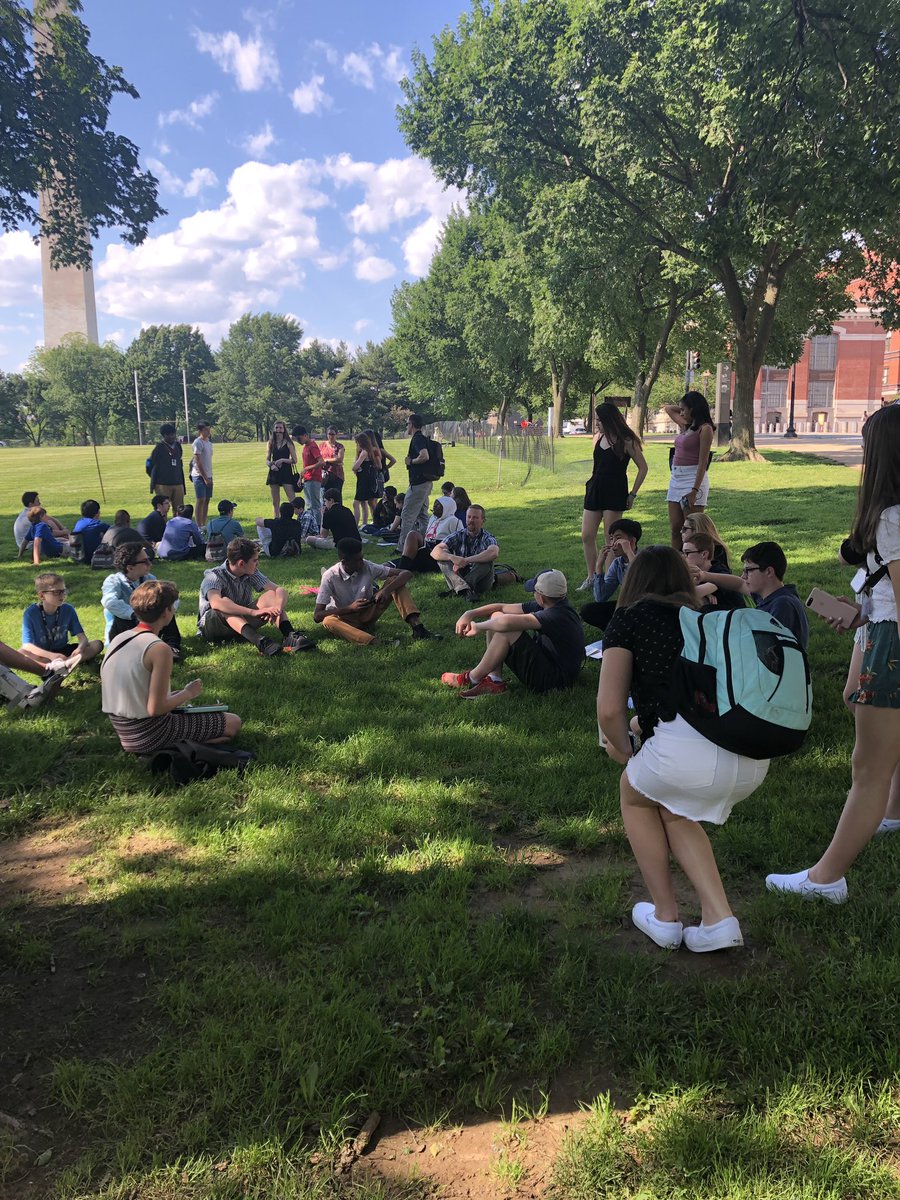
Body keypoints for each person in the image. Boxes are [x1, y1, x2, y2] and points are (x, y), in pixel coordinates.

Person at [597, 545, 769, 952]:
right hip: (750, 749)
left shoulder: (628, 619)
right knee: (671, 805)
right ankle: (718, 918)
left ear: (634, 581)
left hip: (691, 758)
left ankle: (666, 916)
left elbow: (608, 710)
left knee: (635, 794)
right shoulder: (708, 618)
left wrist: (623, 750)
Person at [767, 404, 900, 903]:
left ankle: (827, 878)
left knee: (867, 771)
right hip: (881, 632)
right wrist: (861, 612)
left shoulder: (891, 517)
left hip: (892, 646)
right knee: (857, 706)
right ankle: (892, 812)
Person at [102, 579, 241, 755]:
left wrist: (176, 696)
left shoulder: (119, 639)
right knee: (233, 722)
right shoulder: (158, 648)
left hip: (124, 732)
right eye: (173, 606)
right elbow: (156, 708)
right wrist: (188, 692)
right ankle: (170, 749)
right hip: (150, 733)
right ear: (166, 612)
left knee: (197, 713)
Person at [441, 569, 583, 698]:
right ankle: (494, 680)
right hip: (551, 666)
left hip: (555, 682)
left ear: (541, 597)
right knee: (497, 616)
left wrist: (478, 626)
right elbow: (502, 607)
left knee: (507, 631)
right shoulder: (554, 605)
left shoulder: (556, 615)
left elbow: (507, 623)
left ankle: (470, 678)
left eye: (534, 592)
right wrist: (470, 613)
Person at [198, 536, 313, 655]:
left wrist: (277, 608)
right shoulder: (214, 576)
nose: (257, 563)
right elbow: (216, 603)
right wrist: (253, 612)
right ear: (242, 563)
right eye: (255, 560)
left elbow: (279, 590)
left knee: (273, 595)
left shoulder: (250, 571)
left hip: (241, 622)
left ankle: (290, 635)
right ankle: (261, 642)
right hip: (213, 627)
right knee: (225, 605)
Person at [314, 538, 437, 645]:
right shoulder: (329, 576)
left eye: (362, 558)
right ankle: (374, 642)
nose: (362, 562)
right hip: (345, 620)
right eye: (358, 560)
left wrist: (385, 591)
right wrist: (349, 609)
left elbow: (406, 573)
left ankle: (417, 628)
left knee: (395, 581)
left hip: (368, 611)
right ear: (345, 562)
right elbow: (317, 616)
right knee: (328, 621)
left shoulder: (367, 566)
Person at [579, 402, 648, 590]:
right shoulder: (598, 437)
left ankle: (608, 579)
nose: (597, 423)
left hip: (615, 489)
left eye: (600, 420)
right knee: (586, 535)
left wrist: (632, 494)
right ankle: (592, 576)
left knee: (610, 538)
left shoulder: (627, 441)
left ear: (610, 420)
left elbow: (643, 468)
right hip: (595, 487)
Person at [102, 543, 183, 655]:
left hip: (146, 622)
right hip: (125, 626)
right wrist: (134, 614)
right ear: (130, 567)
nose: (149, 564)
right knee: (120, 618)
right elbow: (110, 602)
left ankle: (172, 647)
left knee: (165, 608)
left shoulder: (148, 578)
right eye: (145, 561)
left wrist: (167, 608)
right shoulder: (114, 581)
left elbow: (167, 596)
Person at [664, 391, 715, 548]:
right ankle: (676, 564)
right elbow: (668, 409)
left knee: (693, 530)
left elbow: (703, 462)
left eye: (684, 409)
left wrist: (694, 490)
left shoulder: (705, 429)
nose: (681, 412)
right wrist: (683, 405)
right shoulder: (685, 426)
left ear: (694, 409)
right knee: (676, 529)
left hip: (693, 478)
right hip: (676, 479)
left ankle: (694, 563)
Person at [21, 573, 102, 669]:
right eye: (56, 592)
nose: (62, 595)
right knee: (22, 653)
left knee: (97, 644)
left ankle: (62, 664)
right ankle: (66, 663)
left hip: (63, 651)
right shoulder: (31, 613)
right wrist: (51, 656)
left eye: (63, 591)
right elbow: (27, 645)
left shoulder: (68, 609)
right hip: (43, 653)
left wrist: (80, 648)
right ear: (42, 596)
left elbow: (82, 638)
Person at [580, 518, 642, 633]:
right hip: (628, 606)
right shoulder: (618, 563)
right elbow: (601, 597)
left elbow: (639, 580)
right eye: (611, 538)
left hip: (646, 606)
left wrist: (629, 552)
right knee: (588, 610)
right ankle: (616, 633)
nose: (613, 544)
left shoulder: (646, 558)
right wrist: (598, 567)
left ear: (632, 542)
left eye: (618, 538)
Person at [431, 504, 500, 600]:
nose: (471, 520)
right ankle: (465, 590)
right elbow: (434, 551)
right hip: (460, 575)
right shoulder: (458, 535)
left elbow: (493, 552)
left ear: (483, 521)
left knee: (486, 561)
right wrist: (452, 557)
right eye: (469, 517)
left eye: (475, 517)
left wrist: (466, 560)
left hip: (480, 582)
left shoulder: (487, 537)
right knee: (442, 558)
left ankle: (460, 589)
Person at [396, 496, 464, 573]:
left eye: (438, 504)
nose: (434, 506)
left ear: (446, 507)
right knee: (394, 563)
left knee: (413, 535)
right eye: (435, 503)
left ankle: (401, 570)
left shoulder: (453, 520)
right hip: (426, 548)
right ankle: (398, 568)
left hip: (437, 552)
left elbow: (460, 541)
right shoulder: (433, 518)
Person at [682, 533, 746, 611]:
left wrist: (704, 594)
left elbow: (690, 596)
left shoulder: (719, 572)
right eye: (683, 553)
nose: (683, 557)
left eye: (687, 553)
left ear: (704, 554)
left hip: (735, 618)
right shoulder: (696, 572)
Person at [399, 413, 433, 547]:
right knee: (423, 515)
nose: (407, 426)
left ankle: (402, 547)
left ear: (412, 424)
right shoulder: (423, 438)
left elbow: (424, 456)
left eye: (407, 424)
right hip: (425, 482)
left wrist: (411, 461)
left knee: (407, 515)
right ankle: (426, 542)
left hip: (418, 484)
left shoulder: (417, 439)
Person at [148, 424, 186, 511]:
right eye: (169, 435)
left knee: (179, 509)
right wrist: (156, 478)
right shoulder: (159, 448)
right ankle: (162, 525)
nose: (172, 437)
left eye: (173, 434)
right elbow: (149, 464)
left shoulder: (178, 446)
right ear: (164, 436)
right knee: (163, 510)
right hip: (163, 484)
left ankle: (177, 525)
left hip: (178, 482)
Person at [292, 426, 324, 527]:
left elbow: (321, 462)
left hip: (314, 478)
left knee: (315, 505)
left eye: (299, 438)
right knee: (309, 505)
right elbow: (306, 465)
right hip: (307, 478)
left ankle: (318, 526)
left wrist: (307, 469)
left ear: (305, 435)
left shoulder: (312, 446)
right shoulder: (306, 447)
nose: (298, 441)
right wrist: (301, 477)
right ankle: (310, 526)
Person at [265, 421, 297, 515]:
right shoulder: (271, 442)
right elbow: (267, 459)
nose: (278, 430)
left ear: (284, 429)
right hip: (274, 472)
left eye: (280, 428)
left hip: (286, 471)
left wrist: (283, 460)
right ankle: (277, 520)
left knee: (292, 499)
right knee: (275, 501)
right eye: (276, 428)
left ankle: (295, 519)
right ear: (274, 429)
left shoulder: (288, 443)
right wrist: (271, 465)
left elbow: (294, 460)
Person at [351, 432, 382, 528]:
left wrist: (356, 465)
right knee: (365, 503)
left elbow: (355, 467)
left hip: (364, 481)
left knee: (356, 503)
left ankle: (355, 525)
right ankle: (365, 524)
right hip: (369, 479)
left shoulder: (364, 452)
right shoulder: (372, 451)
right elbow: (378, 466)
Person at [190, 421, 214, 529]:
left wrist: (210, 477)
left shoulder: (209, 443)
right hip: (199, 475)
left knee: (207, 499)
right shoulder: (198, 442)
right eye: (205, 429)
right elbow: (198, 461)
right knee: (201, 499)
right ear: (200, 431)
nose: (208, 431)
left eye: (209, 429)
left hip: (208, 475)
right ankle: (198, 525)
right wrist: (204, 477)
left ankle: (203, 524)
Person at [72, 499, 109, 564]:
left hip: (79, 557)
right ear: (97, 512)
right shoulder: (97, 524)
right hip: (94, 557)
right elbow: (115, 531)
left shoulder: (79, 522)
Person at [320, 427, 346, 497]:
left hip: (337, 476)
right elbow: (319, 458)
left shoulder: (340, 446)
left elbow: (340, 459)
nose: (331, 436)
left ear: (336, 435)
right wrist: (334, 460)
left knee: (336, 498)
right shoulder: (322, 445)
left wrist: (326, 460)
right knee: (324, 498)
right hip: (325, 476)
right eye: (329, 434)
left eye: (333, 434)